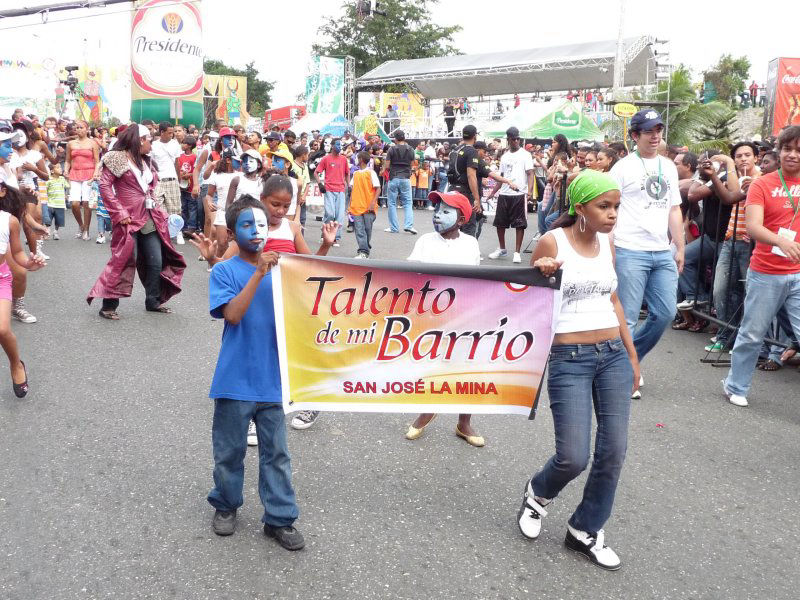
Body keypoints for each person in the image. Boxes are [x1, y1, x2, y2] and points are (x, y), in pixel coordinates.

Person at [518, 169, 638, 571]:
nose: (612, 214)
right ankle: (537, 493)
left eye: (617, 206)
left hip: (613, 356)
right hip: (569, 359)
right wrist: (543, 272)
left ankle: (585, 529)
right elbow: (527, 305)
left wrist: (632, 355)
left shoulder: (608, 242)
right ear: (579, 206)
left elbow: (615, 299)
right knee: (572, 457)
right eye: (604, 206)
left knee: (614, 451)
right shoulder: (552, 242)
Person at [204, 195, 304, 550]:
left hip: (274, 379)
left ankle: (280, 518)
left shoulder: (286, 270)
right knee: (230, 450)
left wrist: (322, 245)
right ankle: (226, 503)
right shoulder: (225, 271)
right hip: (235, 380)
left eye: (262, 224)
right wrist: (259, 271)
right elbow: (232, 315)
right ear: (232, 232)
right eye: (247, 225)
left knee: (276, 453)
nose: (256, 231)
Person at [722, 126, 800, 407]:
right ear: (779, 150)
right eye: (788, 149)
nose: (793, 155)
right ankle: (735, 386)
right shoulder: (762, 184)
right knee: (753, 333)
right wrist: (782, 241)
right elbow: (753, 227)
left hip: (798, 274)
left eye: (798, 150)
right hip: (766, 272)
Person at [609, 109, 684, 398]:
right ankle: (623, 372)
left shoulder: (669, 166)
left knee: (665, 312)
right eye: (649, 131)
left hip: (661, 251)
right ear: (635, 135)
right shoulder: (622, 168)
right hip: (630, 249)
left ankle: (628, 360)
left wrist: (679, 246)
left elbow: (674, 208)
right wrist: (611, 248)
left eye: (658, 130)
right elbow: (610, 208)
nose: (655, 136)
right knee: (626, 317)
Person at [404, 191, 485, 446]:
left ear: (461, 220)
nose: (438, 215)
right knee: (431, 365)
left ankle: (464, 422)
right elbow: (410, 273)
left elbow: (476, 279)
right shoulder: (426, 240)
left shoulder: (471, 243)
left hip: (464, 315)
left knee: (467, 367)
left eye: (445, 211)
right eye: (436, 209)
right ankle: (428, 410)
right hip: (430, 316)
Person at [87, 124, 186, 319]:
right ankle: (108, 305)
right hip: (127, 217)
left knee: (156, 260)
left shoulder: (147, 161)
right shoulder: (115, 158)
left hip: (149, 215)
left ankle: (153, 301)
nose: (152, 144)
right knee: (123, 259)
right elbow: (105, 187)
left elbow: (149, 188)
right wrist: (118, 211)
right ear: (139, 140)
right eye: (150, 140)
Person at [0, 180, 46, 398]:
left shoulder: (9, 221)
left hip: (1, 279)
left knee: (2, 330)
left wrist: (29, 263)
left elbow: (17, 253)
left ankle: (16, 364)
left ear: (2, 191)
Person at [487, 126, 534, 263]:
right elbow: (501, 177)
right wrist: (493, 192)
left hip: (519, 194)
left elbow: (530, 174)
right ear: (508, 140)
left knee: (519, 225)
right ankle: (502, 248)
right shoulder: (505, 156)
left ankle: (517, 252)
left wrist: (529, 191)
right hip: (504, 194)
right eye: (514, 139)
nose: (516, 141)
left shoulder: (526, 155)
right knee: (500, 224)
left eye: (518, 139)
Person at [65, 120, 100, 240]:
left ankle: (87, 229)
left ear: (87, 129)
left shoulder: (93, 143)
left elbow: (97, 161)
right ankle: (81, 225)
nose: (79, 129)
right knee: (74, 203)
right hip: (74, 173)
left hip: (89, 173)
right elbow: (67, 160)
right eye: (77, 128)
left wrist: (95, 174)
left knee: (86, 203)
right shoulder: (70, 143)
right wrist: (66, 170)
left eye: (81, 127)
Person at [151, 122, 184, 243]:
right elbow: (151, 164)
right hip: (158, 181)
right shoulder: (154, 145)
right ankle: (163, 233)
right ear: (162, 133)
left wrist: (178, 179)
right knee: (159, 208)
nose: (172, 135)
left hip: (172, 179)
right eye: (169, 132)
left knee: (175, 208)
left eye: (173, 132)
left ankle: (178, 231)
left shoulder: (175, 144)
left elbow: (177, 163)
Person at [448, 125, 482, 237]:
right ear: (475, 136)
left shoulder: (455, 150)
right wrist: (477, 199)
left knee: (454, 224)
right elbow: (471, 175)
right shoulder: (471, 151)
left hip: (452, 190)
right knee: (468, 225)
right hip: (464, 193)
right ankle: (468, 253)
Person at [314, 138, 349, 246]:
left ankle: (335, 237)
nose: (340, 146)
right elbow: (316, 172)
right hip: (329, 189)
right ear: (332, 146)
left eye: (341, 145)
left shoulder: (344, 159)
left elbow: (347, 173)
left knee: (339, 216)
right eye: (338, 144)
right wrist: (320, 184)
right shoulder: (326, 158)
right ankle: (324, 234)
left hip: (341, 190)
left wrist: (349, 185)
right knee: (330, 214)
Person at [382, 130, 416, 235]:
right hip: (405, 178)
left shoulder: (392, 149)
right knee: (408, 203)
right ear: (404, 138)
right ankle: (408, 225)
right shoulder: (410, 149)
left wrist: (384, 169)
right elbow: (413, 164)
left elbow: (387, 166)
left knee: (392, 203)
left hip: (394, 177)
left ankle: (394, 228)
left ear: (395, 139)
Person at [349, 151, 380, 259]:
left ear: (361, 159)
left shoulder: (371, 173)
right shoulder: (356, 174)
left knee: (367, 229)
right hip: (357, 207)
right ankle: (363, 251)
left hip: (368, 207)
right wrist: (350, 205)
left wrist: (372, 203)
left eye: (357, 158)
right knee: (359, 229)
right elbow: (352, 190)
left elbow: (378, 188)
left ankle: (365, 246)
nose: (355, 159)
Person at [176, 135, 198, 236]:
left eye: (184, 143)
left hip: (191, 186)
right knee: (183, 207)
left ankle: (192, 227)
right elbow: (177, 168)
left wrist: (189, 175)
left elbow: (196, 170)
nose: (182, 145)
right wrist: (180, 175)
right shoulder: (180, 156)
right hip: (182, 186)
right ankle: (183, 227)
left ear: (189, 146)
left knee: (192, 207)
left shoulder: (194, 157)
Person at [44, 162, 68, 239]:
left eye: (60, 167)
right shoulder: (48, 179)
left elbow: (67, 186)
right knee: (48, 220)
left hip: (60, 204)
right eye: (57, 167)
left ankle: (56, 232)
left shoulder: (62, 179)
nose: (60, 169)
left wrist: (68, 178)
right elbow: (45, 190)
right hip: (50, 203)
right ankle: (47, 231)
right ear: (52, 171)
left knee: (58, 220)